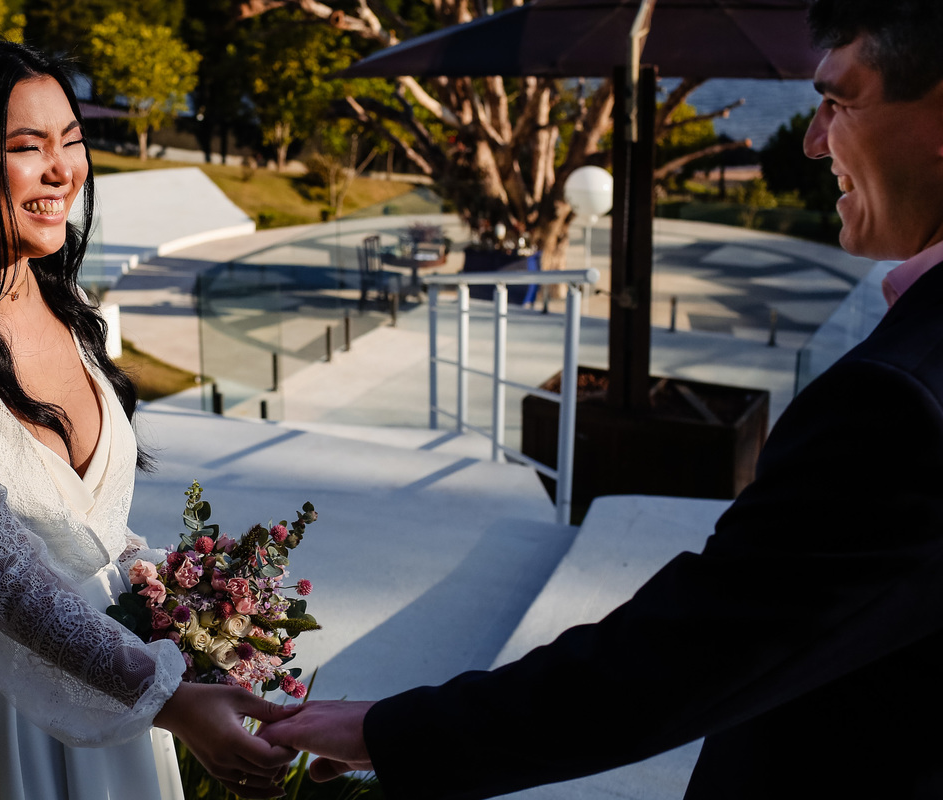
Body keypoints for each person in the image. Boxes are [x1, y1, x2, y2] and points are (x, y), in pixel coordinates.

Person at [260, 1, 943, 797]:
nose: (812, 138)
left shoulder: (899, 403)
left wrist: (389, 730)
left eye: (841, 101)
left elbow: (692, 653)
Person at [0, 25, 295, 800]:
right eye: (26, 146)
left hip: (122, 679)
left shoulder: (62, 298)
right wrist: (172, 700)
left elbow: (83, 524)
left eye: (72, 140)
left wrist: (181, 602)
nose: (62, 171)